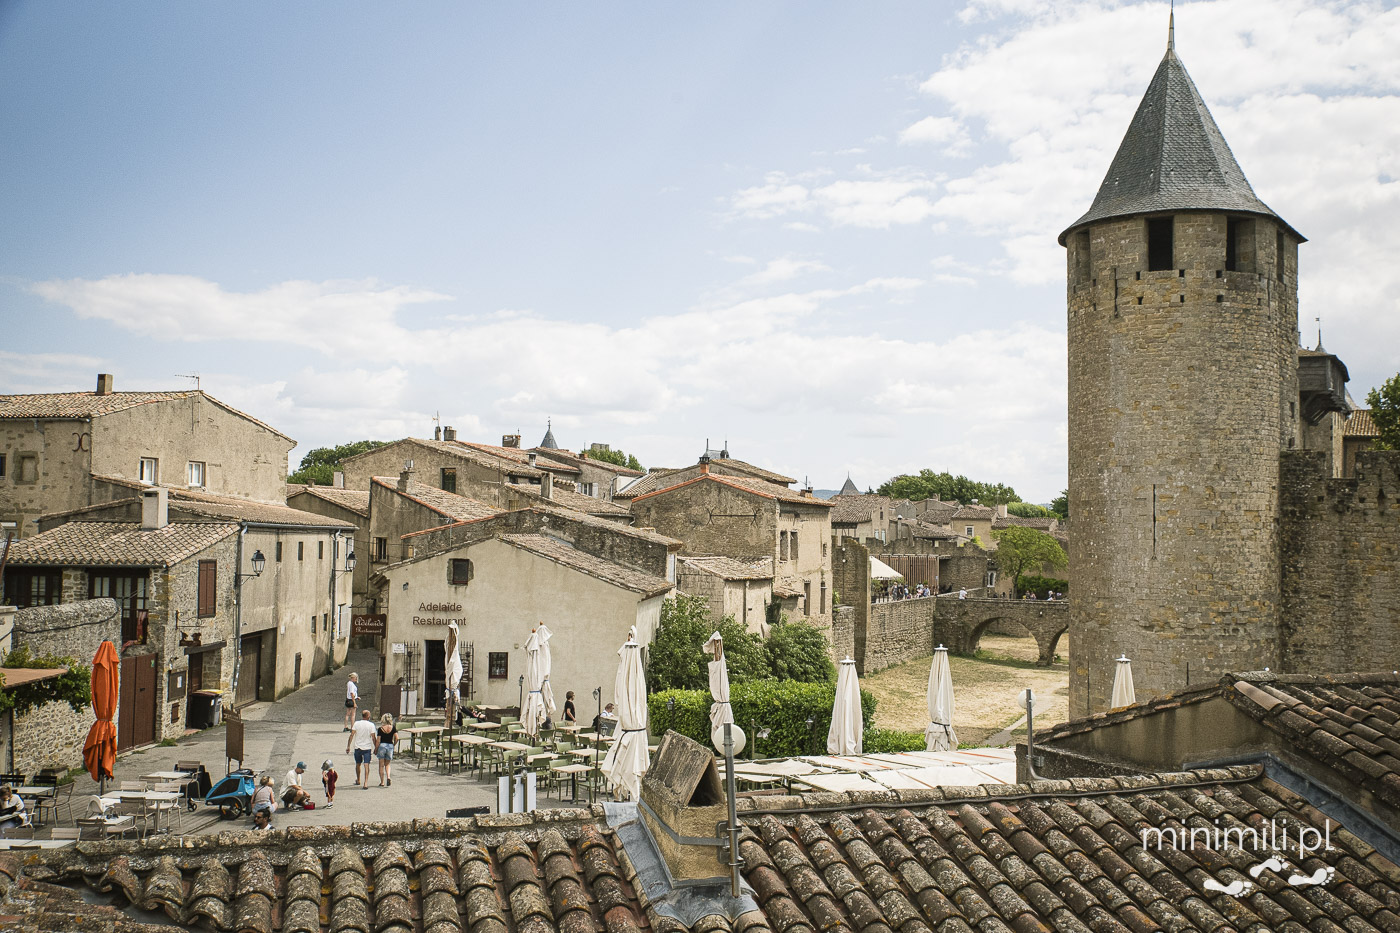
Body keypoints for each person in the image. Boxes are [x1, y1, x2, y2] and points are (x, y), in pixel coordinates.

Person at [347, 708, 376, 788]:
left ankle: (358, 779)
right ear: (368, 716)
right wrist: (376, 747)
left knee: (358, 764)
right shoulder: (371, 725)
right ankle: (365, 782)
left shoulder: (356, 723)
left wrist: (348, 746)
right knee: (366, 765)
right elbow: (373, 737)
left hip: (358, 747)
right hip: (367, 747)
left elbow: (352, 735)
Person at [375, 713, 398, 787]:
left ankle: (382, 782)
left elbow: (378, 740)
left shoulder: (380, 729)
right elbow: (397, 738)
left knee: (381, 765)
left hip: (382, 746)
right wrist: (394, 744)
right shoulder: (393, 727)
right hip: (390, 745)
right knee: (387, 764)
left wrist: (376, 749)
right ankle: (388, 777)